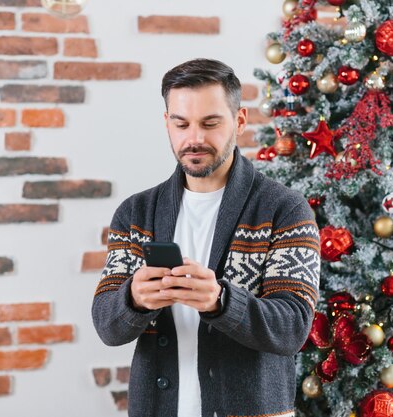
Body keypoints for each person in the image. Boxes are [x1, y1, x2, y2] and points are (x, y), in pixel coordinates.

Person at [92, 58, 321, 417]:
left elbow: (293, 327)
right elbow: (107, 325)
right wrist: (133, 299)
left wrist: (221, 302)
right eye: (181, 124)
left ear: (240, 121)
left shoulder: (284, 209)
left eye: (210, 123)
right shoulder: (136, 214)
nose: (194, 138)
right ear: (166, 123)